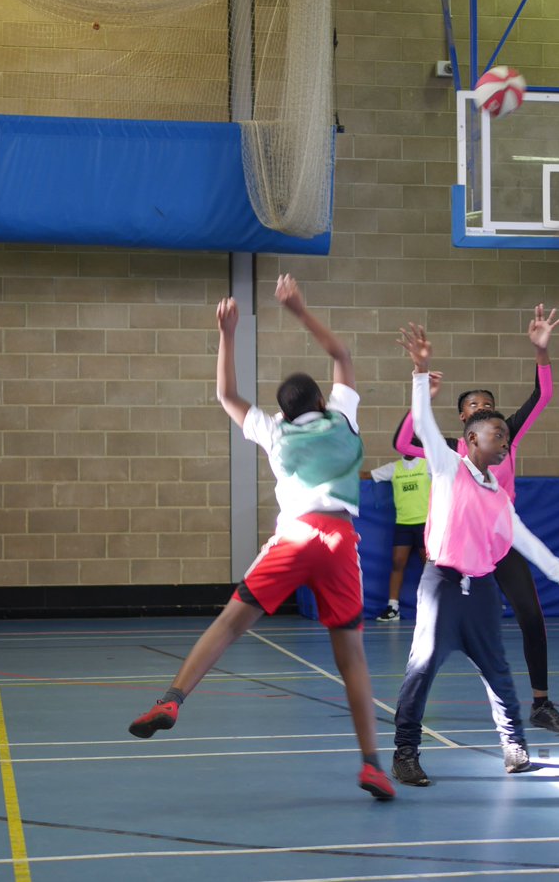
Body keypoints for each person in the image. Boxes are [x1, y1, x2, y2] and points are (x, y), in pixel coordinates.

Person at [127, 274, 395, 801]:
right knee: (353, 660)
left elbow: (225, 394)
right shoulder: (345, 419)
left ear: (286, 410)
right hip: (340, 540)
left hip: (294, 536)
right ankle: (371, 765)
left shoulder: (275, 431)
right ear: (322, 397)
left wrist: (227, 334)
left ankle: (173, 697)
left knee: (229, 624)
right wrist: (297, 308)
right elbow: (340, 351)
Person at [391, 323, 559, 786]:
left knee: (497, 669)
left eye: (506, 433)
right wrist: (419, 371)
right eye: (497, 433)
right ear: (472, 438)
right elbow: (418, 428)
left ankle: (514, 745)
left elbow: (526, 539)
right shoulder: (446, 464)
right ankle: (405, 752)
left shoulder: (499, 495)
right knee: (422, 667)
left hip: (479, 585)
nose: (506, 439)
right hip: (441, 583)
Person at [360, 446, 430, 622]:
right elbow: (368, 475)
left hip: (424, 524)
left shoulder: (428, 466)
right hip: (403, 524)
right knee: (398, 563)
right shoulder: (394, 468)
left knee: (430, 569)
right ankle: (393, 608)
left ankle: (435, 605)